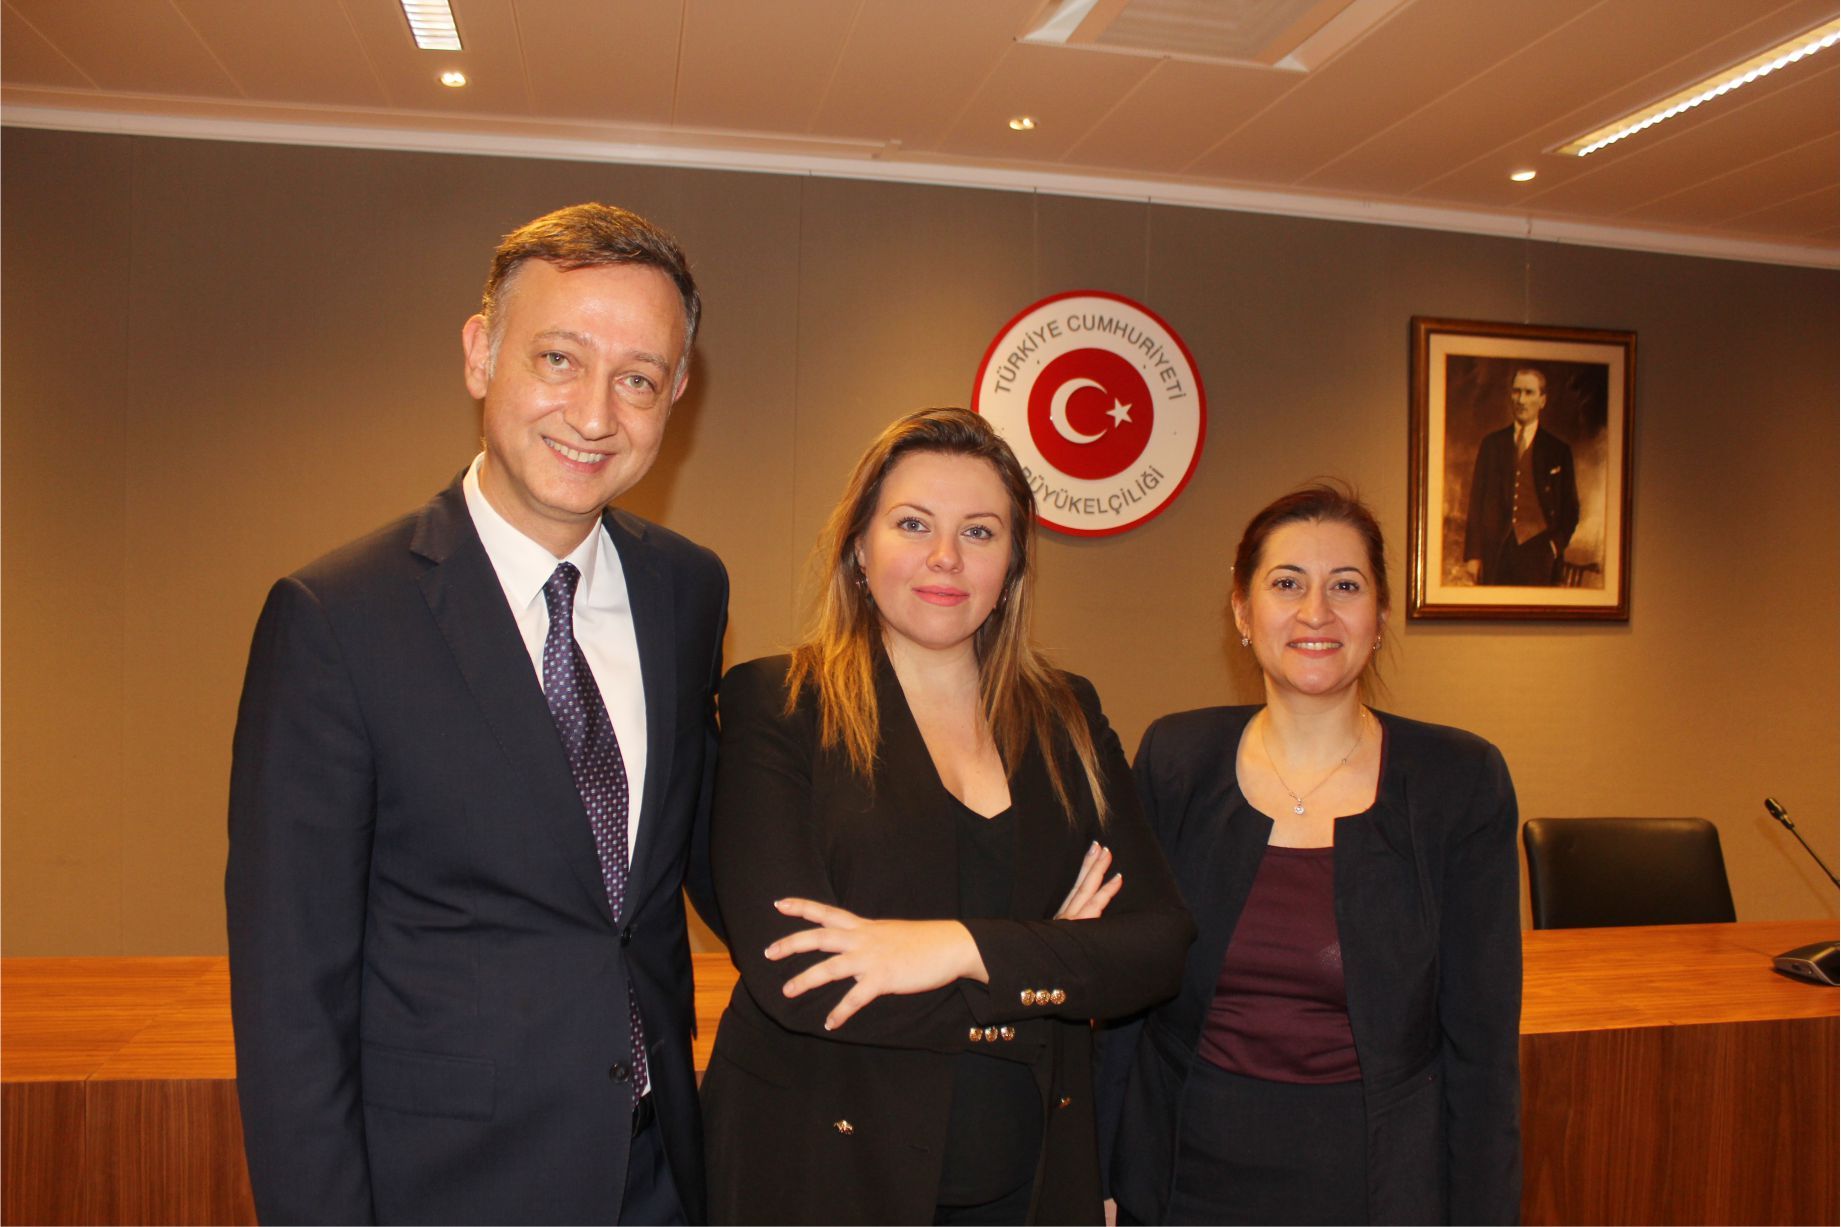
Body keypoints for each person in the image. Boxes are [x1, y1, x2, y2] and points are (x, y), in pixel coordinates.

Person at [225, 203, 728, 1225]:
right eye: (558, 359)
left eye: (637, 378)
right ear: (479, 355)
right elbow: (290, 996)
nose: (594, 414)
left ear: (675, 393)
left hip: (657, 1175)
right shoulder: (337, 617)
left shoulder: (686, 590)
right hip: (448, 1188)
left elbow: (692, 865)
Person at [701, 408, 1194, 1225]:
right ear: (859, 548)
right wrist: (1053, 966)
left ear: (1013, 563)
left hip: (1029, 1179)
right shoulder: (778, 702)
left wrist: (951, 946)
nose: (945, 556)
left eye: (979, 531)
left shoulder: (1066, 713)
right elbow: (801, 977)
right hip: (824, 1170)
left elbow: (1157, 946)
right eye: (912, 524)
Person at [1099, 483, 1522, 1225]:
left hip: (1374, 1189)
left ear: (1380, 617)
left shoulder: (1458, 782)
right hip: (1180, 1180)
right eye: (1287, 583)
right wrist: (1094, 1179)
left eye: (1345, 586)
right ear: (1242, 610)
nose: (1315, 611)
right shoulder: (1174, 760)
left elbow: (1481, 1050)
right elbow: (1124, 1003)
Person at [1463, 366, 1579, 585]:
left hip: (1540, 555)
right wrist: (1473, 555)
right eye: (1516, 392)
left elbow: (1571, 510)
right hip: (1496, 552)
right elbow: (1476, 503)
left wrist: (1554, 546)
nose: (1521, 400)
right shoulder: (1492, 445)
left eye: (1529, 392)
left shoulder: (1558, 451)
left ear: (1542, 400)